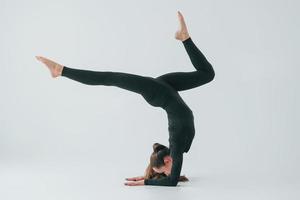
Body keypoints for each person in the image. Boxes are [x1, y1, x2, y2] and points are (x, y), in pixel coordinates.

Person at [36, 11, 215, 187]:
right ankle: (184, 38)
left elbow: (171, 182)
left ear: (167, 160)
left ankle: (60, 70)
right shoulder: (178, 149)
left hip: (158, 93)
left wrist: (146, 181)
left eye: (164, 171)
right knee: (207, 74)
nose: (169, 174)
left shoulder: (176, 147)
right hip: (166, 89)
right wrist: (149, 177)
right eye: (163, 174)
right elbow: (172, 180)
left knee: (111, 78)